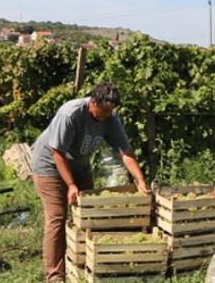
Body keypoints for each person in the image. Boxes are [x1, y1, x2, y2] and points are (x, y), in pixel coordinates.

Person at [30, 83, 150, 283]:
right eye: (105, 110)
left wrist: (141, 180)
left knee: (91, 214)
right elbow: (57, 153)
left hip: (79, 166)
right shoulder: (71, 113)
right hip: (49, 166)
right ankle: (55, 276)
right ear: (93, 102)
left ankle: (84, 264)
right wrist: (71, 185)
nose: (108, 114)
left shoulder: (110, 119)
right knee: (57, 217)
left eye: (111, 110)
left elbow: (126, 152)